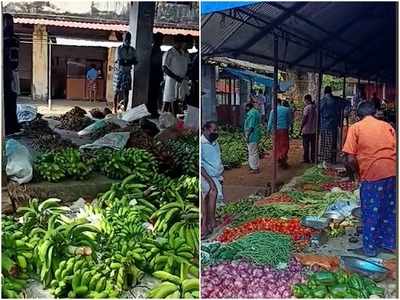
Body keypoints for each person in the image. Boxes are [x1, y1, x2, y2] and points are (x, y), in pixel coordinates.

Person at [343, 101, 396, 257]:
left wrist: (356, 173)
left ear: (359, 115)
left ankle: (369, 248)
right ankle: (388, 244)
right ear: (374, 113)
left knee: (370, 212)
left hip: (373, 174)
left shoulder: (356, 128)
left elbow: (350, 158)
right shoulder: (388, 126)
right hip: (393, 172)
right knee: (389, 209)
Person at [201, 121, 224, 238]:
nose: (216, 132)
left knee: (213, 195)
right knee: (210, 193)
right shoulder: (201, 144)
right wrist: (211, 182)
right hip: (205, 176)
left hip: (215, 175)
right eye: (213, 130)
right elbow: (199, 166)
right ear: (205, 129)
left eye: (216, 130)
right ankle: (206, 224)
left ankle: (211, 221)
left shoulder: (215, 143)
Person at [162, 34, 189, 114]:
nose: (182, 44)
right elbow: (164, 68)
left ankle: (174, 119)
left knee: (178, 99)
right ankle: (164, 118)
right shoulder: (169, 53)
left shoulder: (183, 53)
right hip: (171, 80)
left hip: (181, 80)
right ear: (176, 42)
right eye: (181, 42)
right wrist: (175, 77)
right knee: (168, 99)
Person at [3, 13, 20, 135]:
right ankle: (11, 127)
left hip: (8, 75)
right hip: (10, 75)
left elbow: (13, 61)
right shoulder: (13, 39)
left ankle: (9, 127)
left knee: (8, 101)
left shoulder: (10, 39)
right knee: (10, 101)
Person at [113, 32, 138, 113]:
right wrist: (129, 61)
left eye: (129, 38)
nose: (127, 39)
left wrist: (126, 61)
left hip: (127, 73)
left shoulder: (132, 49)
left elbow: (136, 61)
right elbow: (120, 62)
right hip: (119, 73)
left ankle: (124, 110)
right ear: (123, 38)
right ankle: (115, 109)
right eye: (126, 38)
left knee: (126, 93)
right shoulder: (119, 48)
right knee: (116, 92)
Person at [267, 99, 292, 169]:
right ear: (280, 103)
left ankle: (279, 158)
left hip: (275, 131)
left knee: (277, 145)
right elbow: (290, 121)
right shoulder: (287, 110)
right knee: (284, 145)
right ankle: (283, 158)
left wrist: (268, 131)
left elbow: (270, 122)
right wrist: (290, 128)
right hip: (284, 130)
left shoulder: (273, 111)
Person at [319, 86, 341, 164]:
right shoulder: (336, 100)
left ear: (324, 92)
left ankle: (325, 159)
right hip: (334, 125)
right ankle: (333, 159)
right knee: (333, 143)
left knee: (324, 143)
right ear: (331, 92)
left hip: (325, 125)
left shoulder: (322, 101)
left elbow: (319, 111)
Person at [147, 33, 164, 118]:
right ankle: (151, 111)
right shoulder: (154, 49)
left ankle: (153, 111)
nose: (161, 41)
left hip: (156, 75)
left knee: (155, 95)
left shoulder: (158, 49)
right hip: (153, 76)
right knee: (152, 95)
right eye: (160, 39)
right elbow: (155, 64)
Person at [244, 102, 262, 173]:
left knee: (252, 152)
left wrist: (247, 136)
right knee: (254, 151)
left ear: (248, 107)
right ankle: (254, 166)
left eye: (245, 107)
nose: (245, 109)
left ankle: (254, 168)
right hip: (256, 134)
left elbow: (251, 127)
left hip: (252, 135)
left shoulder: (251, 114)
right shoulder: (256, 112)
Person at [301, 95, 316, 163]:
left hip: (306, 130)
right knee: (313, 146)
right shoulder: (315, 107)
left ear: (307, 100)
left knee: (306, 145)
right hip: (313, 130)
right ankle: (313, 159)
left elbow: (304, 118)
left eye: (305, 100)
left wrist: (301, 126)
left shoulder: (307, 108)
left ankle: (306, 159)